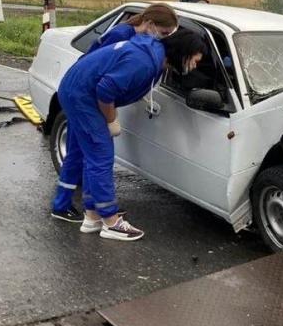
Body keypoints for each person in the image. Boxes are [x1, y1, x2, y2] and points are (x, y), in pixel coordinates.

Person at [50, 25, 206, 241]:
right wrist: (111, 119)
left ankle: (93, 216)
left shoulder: (154, 55)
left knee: (95, 158)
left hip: (81, 91)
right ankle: (112, 223)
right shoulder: (144, 62)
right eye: (195, 61)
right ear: (183, 53)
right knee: (101, 157)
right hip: (82, 96)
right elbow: (105, 90)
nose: (195, 66)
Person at [87, 4, 178, 55]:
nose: (164, 38)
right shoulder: (121, 35)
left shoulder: (136, 36)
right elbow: (97, 62)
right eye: (164, 33)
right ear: (150, 24)